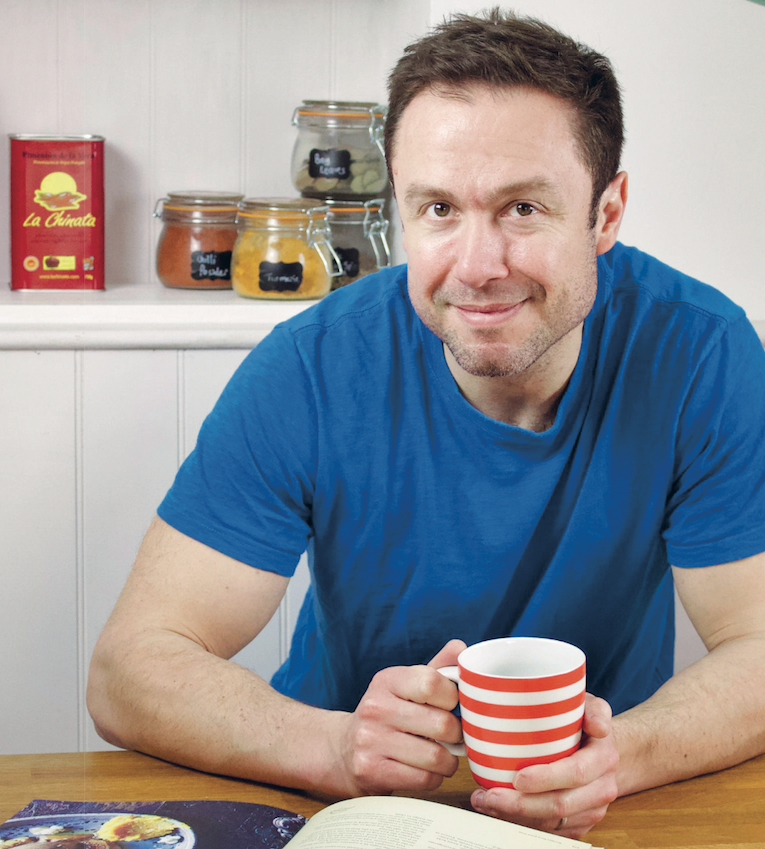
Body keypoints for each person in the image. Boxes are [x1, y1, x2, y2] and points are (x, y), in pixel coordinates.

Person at [87, 8, 765, 839]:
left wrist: (625, 752)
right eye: (437, 208)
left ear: (606, 213)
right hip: (337, 810)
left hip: (590, 811)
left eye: (522, 208)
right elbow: (129, 668)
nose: (476, 267)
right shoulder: (310, 366)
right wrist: (333, 746)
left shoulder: (700, 350)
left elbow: (756, 646)